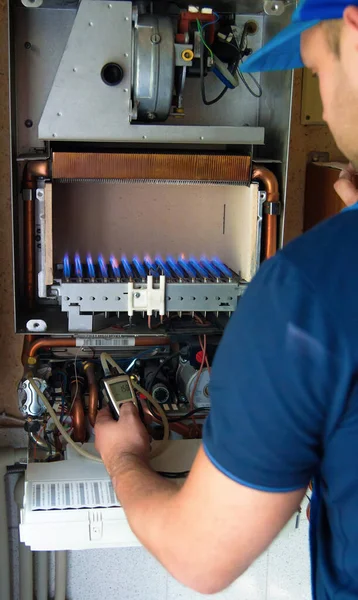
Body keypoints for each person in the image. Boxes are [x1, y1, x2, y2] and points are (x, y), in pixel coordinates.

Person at [95, 2, 358, 597]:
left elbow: (199, 557)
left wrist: (122, 460)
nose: (321, 86)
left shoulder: (307, 293)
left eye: (314, 69)